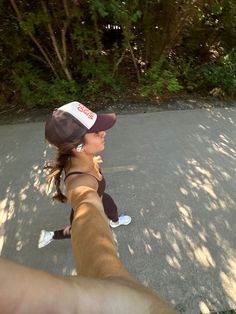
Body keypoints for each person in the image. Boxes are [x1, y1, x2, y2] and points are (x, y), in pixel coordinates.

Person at [38, 101, 131, 248]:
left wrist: (93, 160)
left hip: (101, 196)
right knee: (78, 230)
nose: (103, 133)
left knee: (111, 206)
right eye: (96, 133)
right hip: (94, 201)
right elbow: (83, 196)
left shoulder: (78, 156)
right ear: (78, 147)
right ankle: (50, 235)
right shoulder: (80, 183)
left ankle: (114, 221)